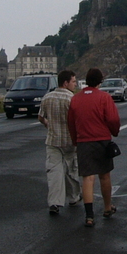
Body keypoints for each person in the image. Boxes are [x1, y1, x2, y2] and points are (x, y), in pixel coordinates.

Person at [67, 68, 121, 227]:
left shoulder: (76, 99)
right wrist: (114, 132)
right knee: (104, 176)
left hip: (84, 141)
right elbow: (112, 119)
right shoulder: (104, 97)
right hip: (102, 140)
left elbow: (71, 122)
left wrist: (76, 140)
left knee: (87, 178)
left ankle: (89, 216)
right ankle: (106, 207)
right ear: (100, 81)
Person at [38, 70, 82, 215]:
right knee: (71, 170)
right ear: (66, 83)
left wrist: (47, 124)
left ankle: (55, 202)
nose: (75, 84)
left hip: (53, 140)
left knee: (54, 172)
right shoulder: (72, 99)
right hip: (69, 141)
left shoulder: (47, 97)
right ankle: (74, 197)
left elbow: (40, 116)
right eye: (74, 82)